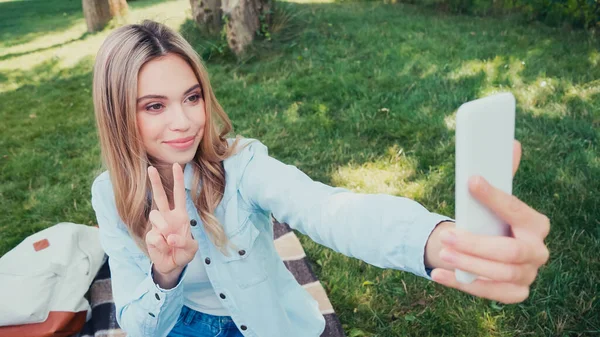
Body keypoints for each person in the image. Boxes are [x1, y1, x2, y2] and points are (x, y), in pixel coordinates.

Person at [90, 20, 551, 337]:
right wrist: (166, 273)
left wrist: (442, 242)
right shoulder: (110, 196)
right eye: (154, 106)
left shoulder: (242, 165)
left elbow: (326, 209)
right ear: (117, 115)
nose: (185, 121)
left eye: (192, 97)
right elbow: (139, 324)